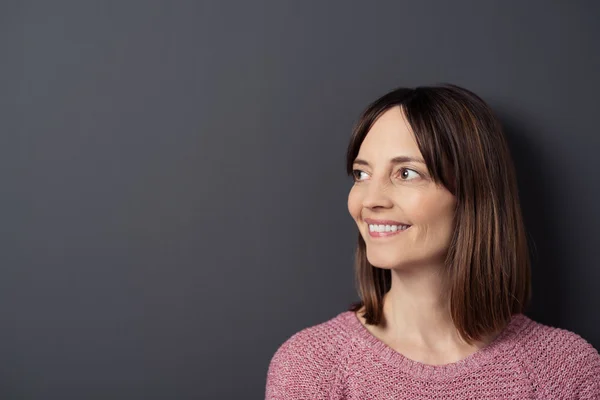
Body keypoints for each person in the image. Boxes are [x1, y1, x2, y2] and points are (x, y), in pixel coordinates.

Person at [264, 84, 600, 399]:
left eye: (406, 173)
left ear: (473, 194)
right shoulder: (310, 367)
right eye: (361, 174)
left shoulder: (566, 371)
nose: (370, 200)